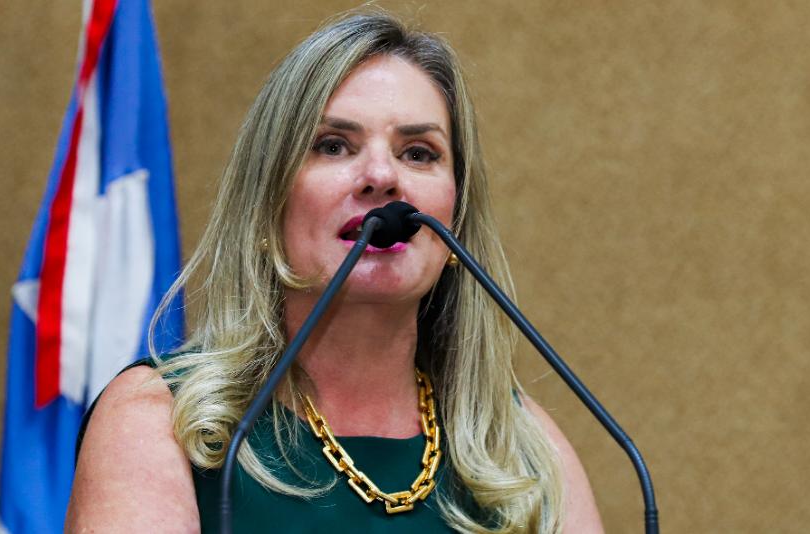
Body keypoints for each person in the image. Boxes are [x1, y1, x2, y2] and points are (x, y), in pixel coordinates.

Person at [68, 10, 603, 533]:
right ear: (267, 206)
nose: (381, 176)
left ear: (455, 219)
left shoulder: (522, 448)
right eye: (333, 145)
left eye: (419, 153)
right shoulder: (160, 420)